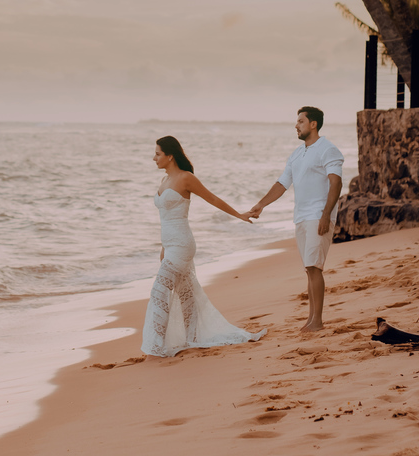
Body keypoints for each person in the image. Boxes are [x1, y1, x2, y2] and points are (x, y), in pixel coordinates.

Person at [142, 135, 266, 358]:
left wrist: (239, 215)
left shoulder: (186, 178)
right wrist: (163, 248)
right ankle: (193, 338)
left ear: (170, 156)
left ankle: (156, 346)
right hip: (170, 246)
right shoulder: (163, 181)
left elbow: (213, 199)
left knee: (159, 290)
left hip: (182, 245)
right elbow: (166, 217)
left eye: (158, 154)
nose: (154, 158)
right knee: (185, 294)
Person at [247, 107, 343, 332]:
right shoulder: (297, 154)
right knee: (309, 269)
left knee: (314, 266)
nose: (296, 125)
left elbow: (336, 183)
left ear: (313, 124)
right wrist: (261, 204)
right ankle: (311, 319)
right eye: (296, 121)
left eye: (301, 121)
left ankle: (317, 321)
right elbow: (282, 184)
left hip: (318, 215)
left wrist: (326, 214)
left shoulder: (328, 149)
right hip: (301, 216)